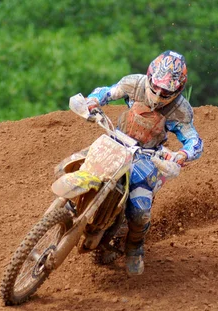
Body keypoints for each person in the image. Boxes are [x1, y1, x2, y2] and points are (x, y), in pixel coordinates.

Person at [84, 50, 203, 276]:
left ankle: (134, 246)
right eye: (156, 87)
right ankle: (69, 207)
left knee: (140, 210)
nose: (158, 95)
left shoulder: (180, 110)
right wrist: (93, 100)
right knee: (83, 163)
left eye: (166, 91)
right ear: (149, 76)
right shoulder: (134, 84)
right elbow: (108, 92)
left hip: (148, 156)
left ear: (178, 89)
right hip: (117, 140)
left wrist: (182, 155)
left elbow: (193, 140)